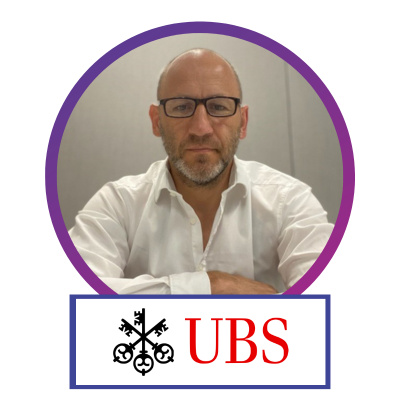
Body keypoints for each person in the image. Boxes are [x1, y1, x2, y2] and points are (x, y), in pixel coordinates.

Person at [69, 48, 333, 294]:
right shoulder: (117, 204)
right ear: (156, 121)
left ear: (242, 122)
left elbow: (325, 301)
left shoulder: (290, 201)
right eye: (181, 107)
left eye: (218, 106)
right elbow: (77, 295)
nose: (201, 128)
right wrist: (213, 285)